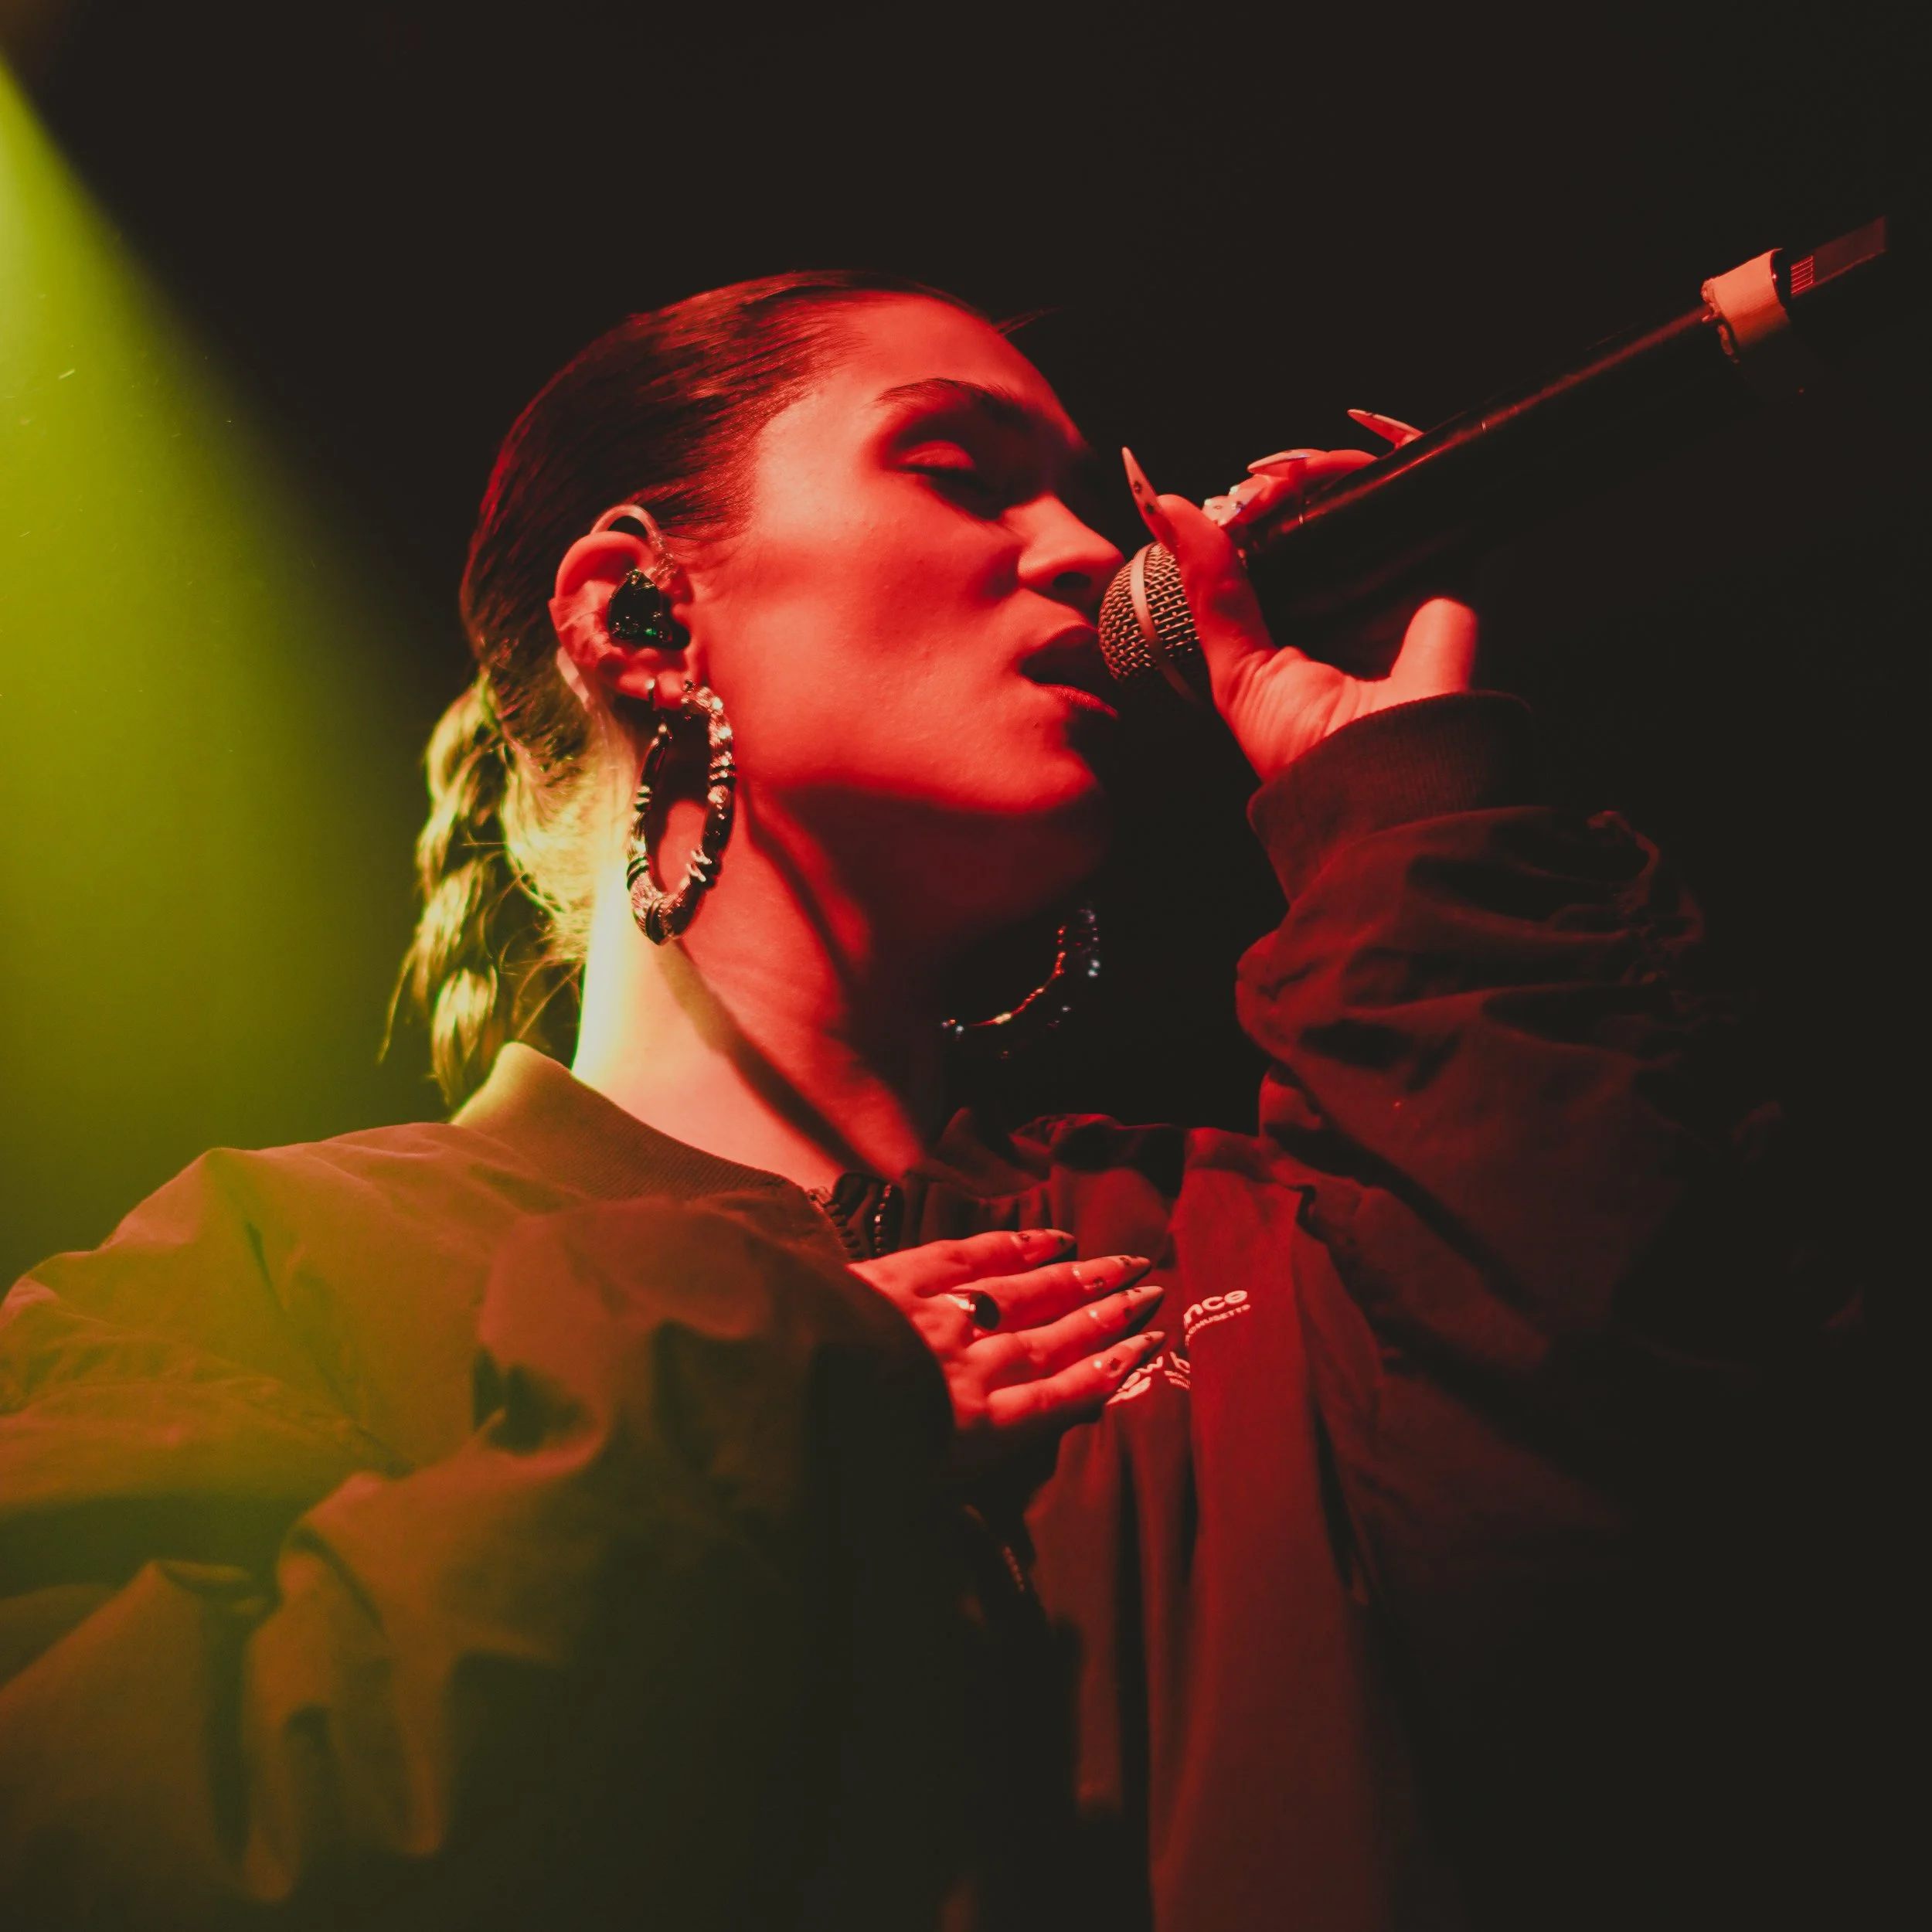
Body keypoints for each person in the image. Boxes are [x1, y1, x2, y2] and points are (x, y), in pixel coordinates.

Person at [0, 270, 1850, 1930]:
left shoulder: (1269, 1221)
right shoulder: (264, 1268)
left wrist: (1407, 816)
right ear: (641, 611)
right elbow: (128, 1842)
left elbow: (1700, 1614)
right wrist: (753, 1389)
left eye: (1075, 493)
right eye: (961, 471)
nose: (1090, 549)